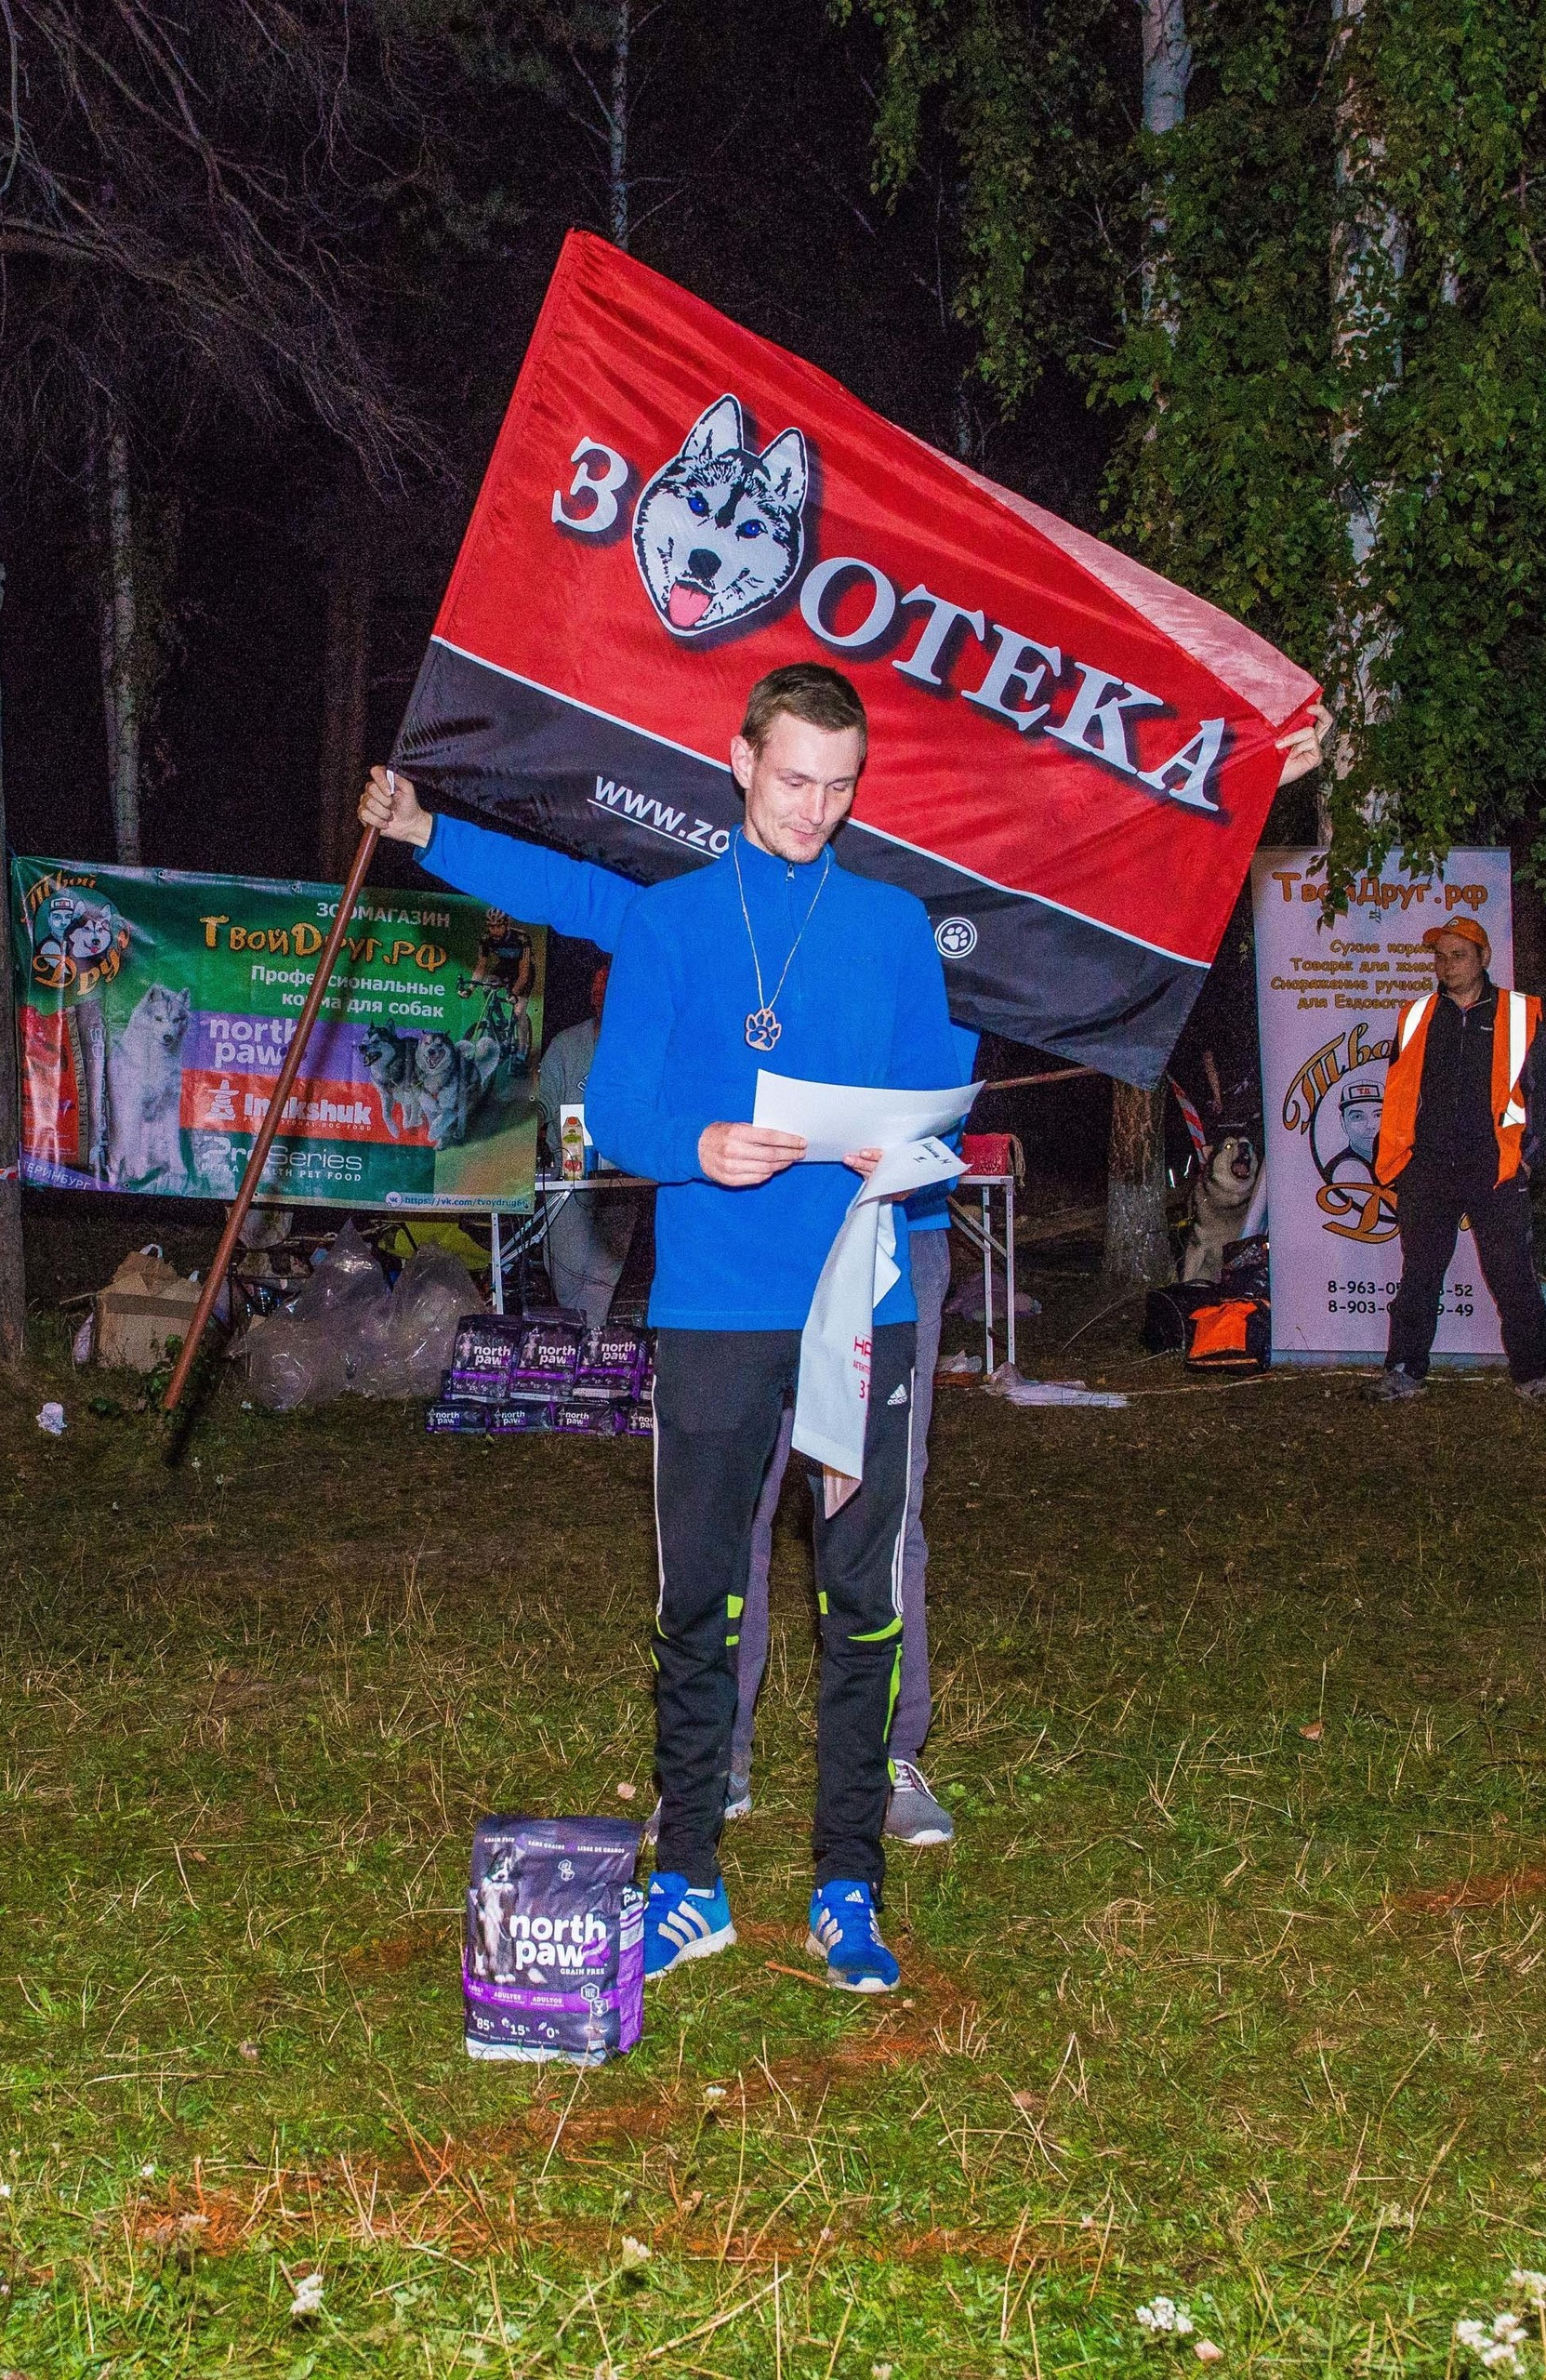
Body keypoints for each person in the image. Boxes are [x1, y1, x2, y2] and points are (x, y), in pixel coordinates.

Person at [368, 664, 959, 1992]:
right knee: (702, 1595)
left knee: (859, 1601)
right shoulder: (676, 922)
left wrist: (911, 1156)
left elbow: (944, 1112)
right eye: (795, 778)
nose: (816, 808)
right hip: (714, 1312)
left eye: (841, 786)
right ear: (739, 759)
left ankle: (847, 1884)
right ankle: (690, 1874)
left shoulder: (891, 926)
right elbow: (616, 1115)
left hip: (864, 1307)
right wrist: (698, 1143)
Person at [1364, 916, 1546, 1402]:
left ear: (1483, 958)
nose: (1447, 965)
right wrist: (1398, 1159)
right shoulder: (1417, 1016)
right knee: (1419, 1274)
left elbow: (1544, 1095)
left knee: (1511, 1272)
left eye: (1458, 955)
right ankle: (1405, 1370)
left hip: (1493, 1167)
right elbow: (1399, 1092)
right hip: (1427, 1168)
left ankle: (1534, 1375)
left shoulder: (1520, 1013)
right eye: (1440, 956)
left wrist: (1528, 1158)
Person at [535, 961, 638, 1328]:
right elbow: (540, 1104)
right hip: (568, 1178)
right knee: (567, 1266)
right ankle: (574, 1340)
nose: (602, 996)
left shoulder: (638, 1050)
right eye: (598, 990)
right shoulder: (567, 1045)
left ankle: (586, 1346)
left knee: (603, 1275)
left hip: (623, 1183)